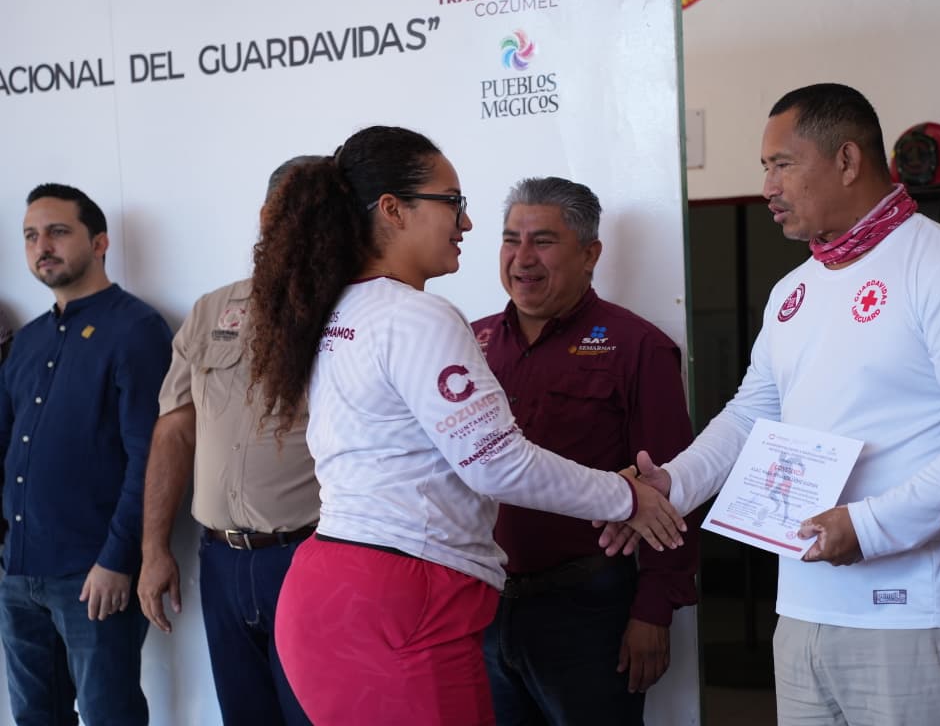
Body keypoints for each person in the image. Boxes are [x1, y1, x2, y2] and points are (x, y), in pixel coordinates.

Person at [611, 84, 940, 724]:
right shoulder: (794, 290)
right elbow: (751, 414)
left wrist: (869, 527)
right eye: (765, 168)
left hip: (919, 618)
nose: (767, 187)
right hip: (804, 614)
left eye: (782, 164)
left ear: (847, 161)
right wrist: (672, 485)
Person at [243, 126, 686, 726]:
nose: (466, 223)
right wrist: (627, 496)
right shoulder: (417, 316)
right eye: (452, 202)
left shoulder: (339, 306)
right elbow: (497, 464)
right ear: (394, 210)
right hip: (402, 598)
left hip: (333, 587)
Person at [471, 176, 698, 724]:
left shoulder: (637, 346)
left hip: (587, 610)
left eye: (543, 241)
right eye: (511, 240)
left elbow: (673, 486)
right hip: (481, 607)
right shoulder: (467, 343)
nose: (523, 258)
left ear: (590, 254)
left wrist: (654, 610)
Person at [137, 156, 326, 726]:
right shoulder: (212, 310)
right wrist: (153, 549)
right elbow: (175, 428)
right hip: (220, 560)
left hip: (310, 557)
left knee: (314, 714)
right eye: (288, 212)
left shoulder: (347, 313)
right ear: (266, 216)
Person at [0, 183, 172, 725]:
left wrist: (117, 560)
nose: (42, 246)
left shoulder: (136, 329)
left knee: (108, 716)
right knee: (35, 717)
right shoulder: (28, 342)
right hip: (18, 573)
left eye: (57, 232)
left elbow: (149, 458)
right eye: (31, 236)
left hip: (93, 576)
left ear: (99, 243)